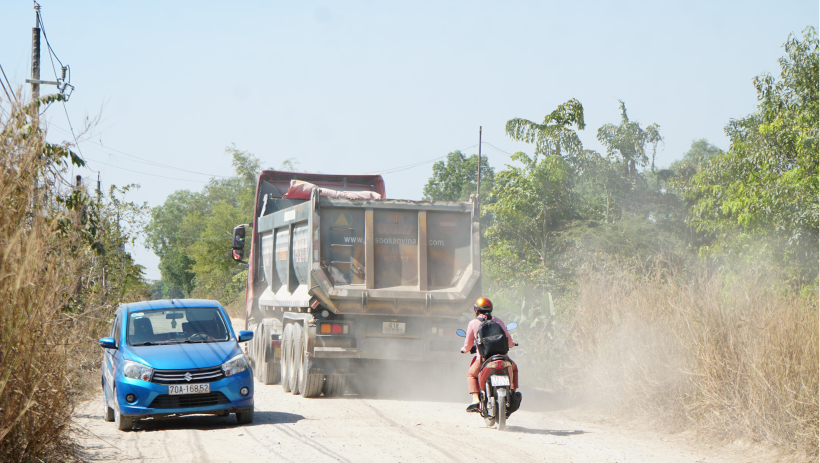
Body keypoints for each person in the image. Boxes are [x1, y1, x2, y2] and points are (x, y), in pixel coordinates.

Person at [460, 297, 519, 413]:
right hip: (503, 358)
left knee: (471, 374)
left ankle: (475, 400)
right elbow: (508, 340)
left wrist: (464, 350)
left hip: (484, 359)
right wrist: (512, 344)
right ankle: (512, 392)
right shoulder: (498, 321)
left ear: (476, 310)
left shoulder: (473, 323)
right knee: (514, 369)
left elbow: (467, 345)